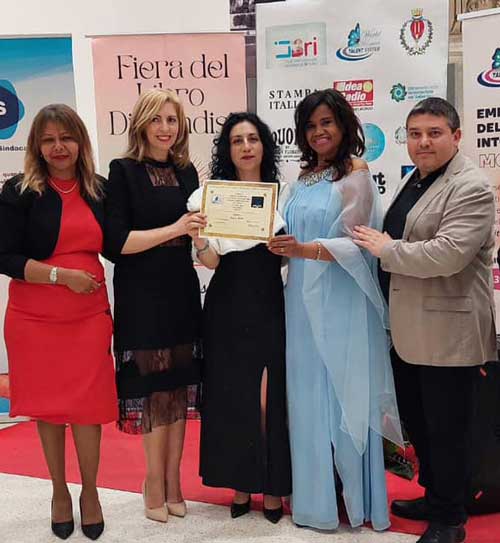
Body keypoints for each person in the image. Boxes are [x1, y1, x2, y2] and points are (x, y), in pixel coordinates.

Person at [354, 97, 496, 543]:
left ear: (456, 136)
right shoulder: (415, 179)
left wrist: (386, 249)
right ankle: (435, 497)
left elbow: (449, 254)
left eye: (434, 133)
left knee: (448, 431)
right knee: (422, 426)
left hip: (449, 334)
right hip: (408, 331)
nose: (423, 142)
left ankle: (450, 520)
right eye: (415, 134)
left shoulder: (472, 186)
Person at [268, 89, 402, 531]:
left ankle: (359, 500)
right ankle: (317, 501)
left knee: (345, 394)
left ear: (344, 125)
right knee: (306, 397)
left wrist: (302, 250)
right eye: (310, 125)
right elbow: (286, 233)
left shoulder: (356, 173)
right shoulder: (303, 177)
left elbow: (356, 243)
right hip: (299, 303)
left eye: (326, 122)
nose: (318, 132)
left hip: (342, 301)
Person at [0, 104, 117, 540]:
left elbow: (121, 242)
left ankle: (90, 492)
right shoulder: (19, 191)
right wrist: (60, 276)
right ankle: (59, 491)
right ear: (36, 146)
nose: (58, 147)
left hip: (88, 317)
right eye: (48, 139)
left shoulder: (99, 190)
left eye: (66, 137)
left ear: (80, 142)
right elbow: (4, 256)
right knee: (49, 408)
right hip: (35, 318)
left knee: (87, 409)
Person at [104, 89, 205, 523]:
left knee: (179, 388)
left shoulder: (187, 172)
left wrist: (202, 236)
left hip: (181, 289)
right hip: (141, 294)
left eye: (172, 119)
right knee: (152, 392)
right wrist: (177, 229)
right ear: (141, 124)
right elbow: (117, 244)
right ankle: (153, 481)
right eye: (157, 119)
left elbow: (199, 238)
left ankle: (174, 481)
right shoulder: (122, 171)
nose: (165, 128)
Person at [187, 112, 292, 523]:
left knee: (269, 397)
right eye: (236, 140)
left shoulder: (286, 195)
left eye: (252, 138)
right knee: (232, 396)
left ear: (264, 144)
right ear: (226, 150)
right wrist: (198, 240)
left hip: (270, 303)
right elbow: (213, 260)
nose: (246, 147)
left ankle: (273, 486)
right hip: (226, 305)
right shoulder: (211, 197)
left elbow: (293, 259)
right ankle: (241, 484)